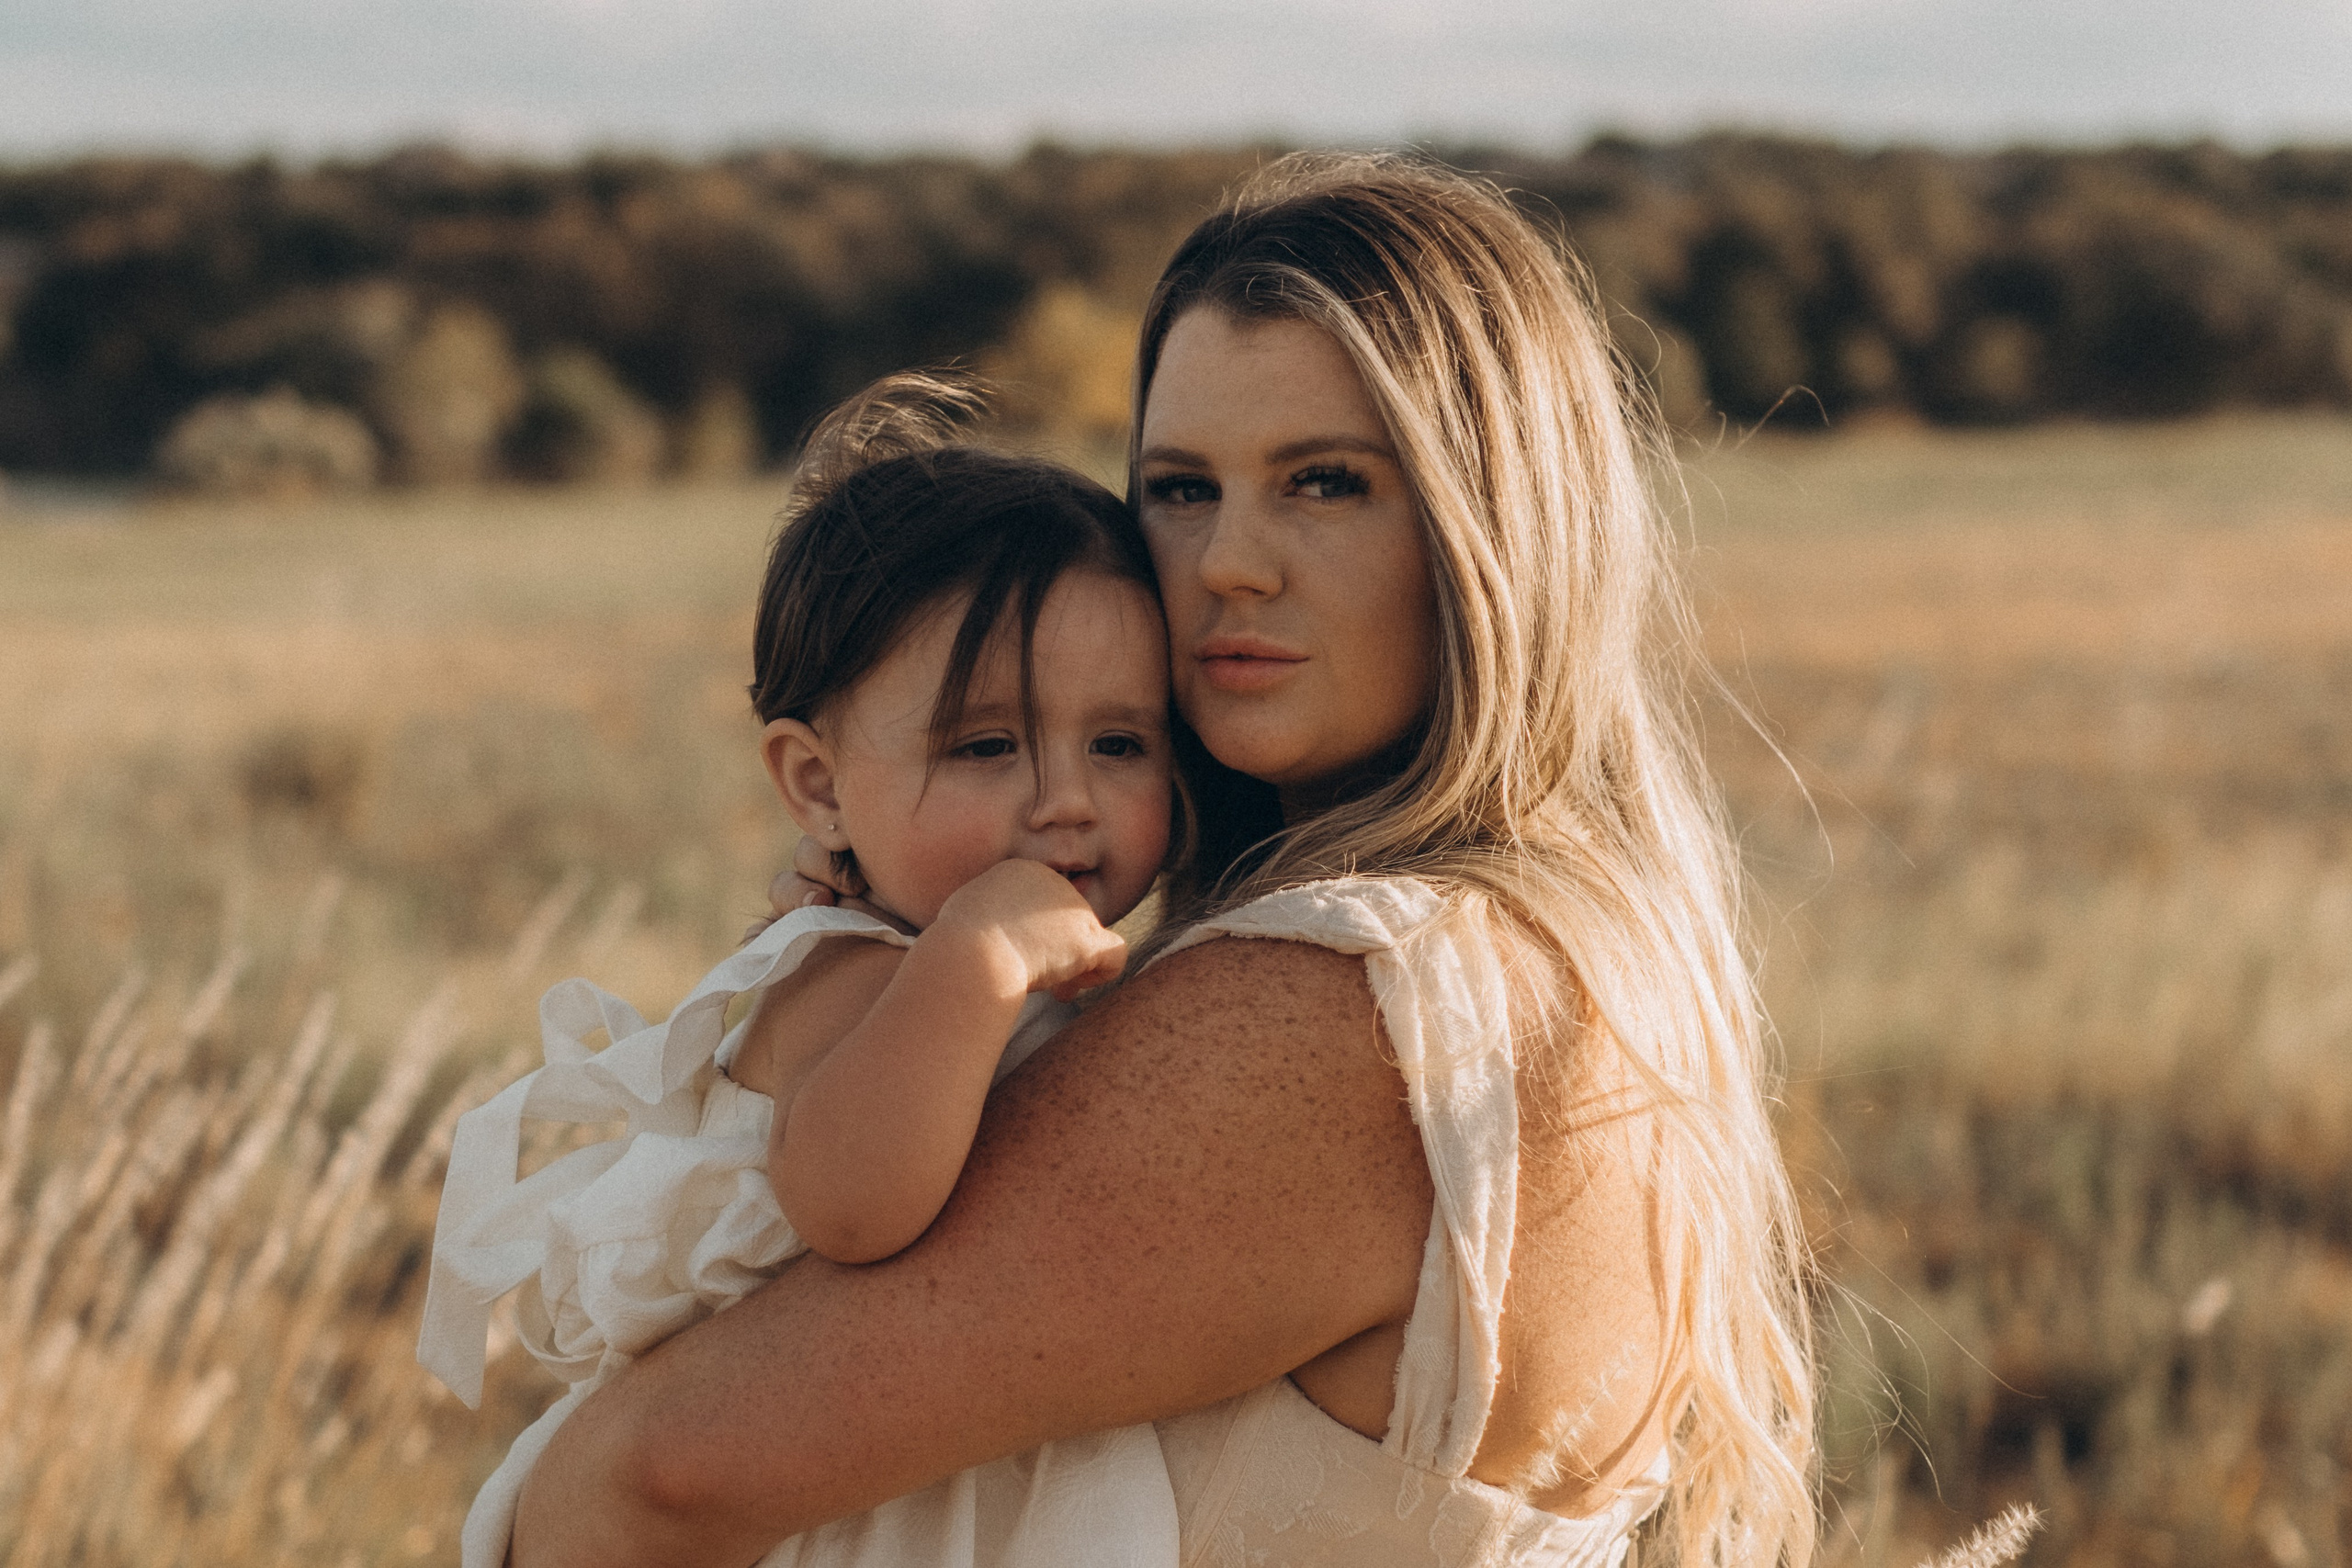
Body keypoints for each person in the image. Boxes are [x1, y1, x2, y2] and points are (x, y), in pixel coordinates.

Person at [513, 154, 1818, 1568]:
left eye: (1326, 483)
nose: (1228, 565)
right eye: (1181, 488)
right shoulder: (1579, 945)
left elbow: (667, 1479)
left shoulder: (1359, 1009)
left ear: (1496, 527)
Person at [420, 378, 1194, 1566]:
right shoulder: (843, 974)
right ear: (820, 787)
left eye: (1122, 744)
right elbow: (852, 1200)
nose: (1068, 803)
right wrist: (977, 956)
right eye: (988, 745)